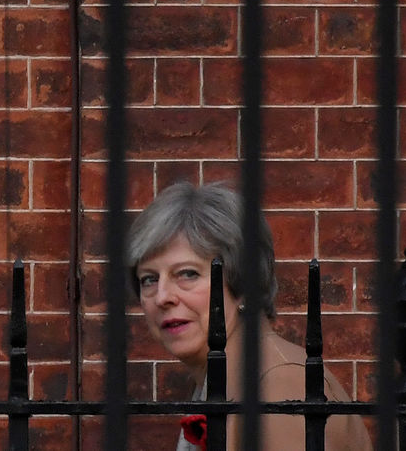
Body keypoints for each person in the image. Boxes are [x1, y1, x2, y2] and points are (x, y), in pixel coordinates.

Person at [127, 182, 372, 450]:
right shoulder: (222, 379)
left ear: (242, 284)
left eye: (188, 274)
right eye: (149, 279)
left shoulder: (278, 383)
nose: (162, 296)